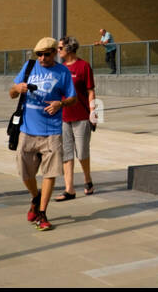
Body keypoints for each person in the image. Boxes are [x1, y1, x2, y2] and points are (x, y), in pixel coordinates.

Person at [9, 37, 76, 232]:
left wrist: (60, 103)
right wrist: (17, 88)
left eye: (46, 54)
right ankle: (35, 197)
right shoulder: (29, 67)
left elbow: (73, 98)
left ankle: (42, 212)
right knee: (24, 171)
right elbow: (11, 93)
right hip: (27, 130)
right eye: (39, 54)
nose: (42, 58)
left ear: (55, 53)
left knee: (50, 173)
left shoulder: (62, 72)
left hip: (52, 131)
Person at [55, 37, 96, 201]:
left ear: (69, 49)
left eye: (60, 48)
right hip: (64, 116)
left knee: (82, 152)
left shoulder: (84, 66)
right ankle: (69, 189)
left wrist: (93, 112)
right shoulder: (60, 69)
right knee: (66, 153)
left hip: (81, 116)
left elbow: (91, 91)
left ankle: (88, 180)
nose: (58, 51)